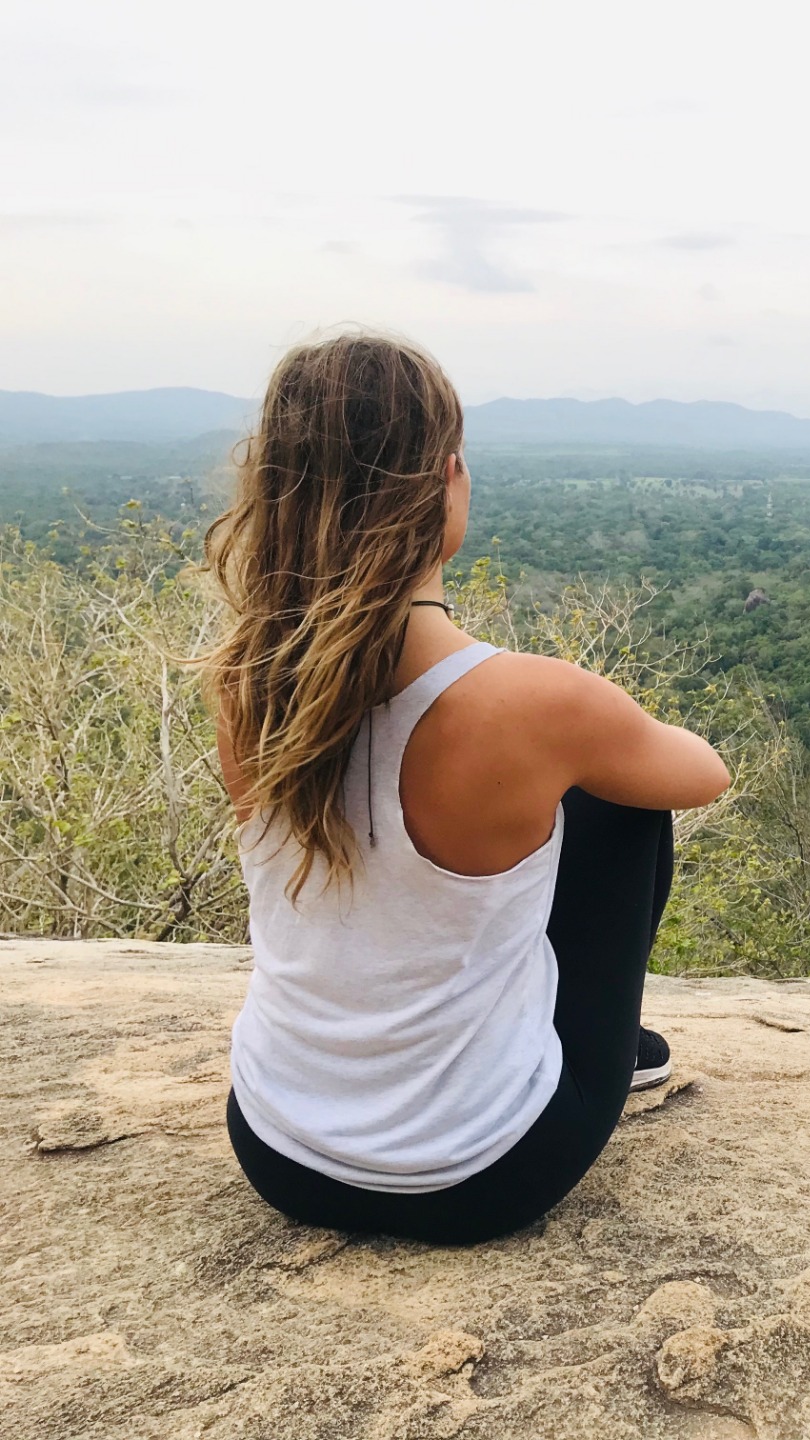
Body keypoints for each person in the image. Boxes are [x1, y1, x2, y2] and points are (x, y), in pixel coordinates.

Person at [200, 330, 730, 1245]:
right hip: (481, 1177)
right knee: (624, 801)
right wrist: (574, 749)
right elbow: (702, 776)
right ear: (448, 481)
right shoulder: (530, 700)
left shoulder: (246, 678)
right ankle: (605, 1045)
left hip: (276, 1148)